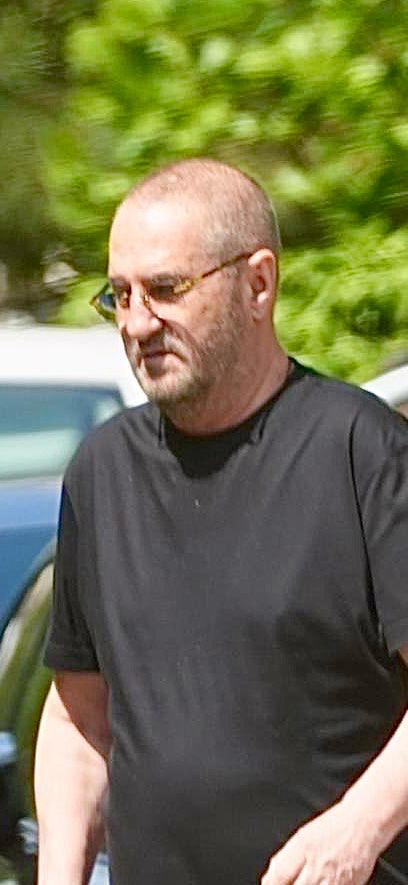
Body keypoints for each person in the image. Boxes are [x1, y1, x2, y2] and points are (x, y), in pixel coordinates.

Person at [34, 158, 408, 885]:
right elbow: (78, 720)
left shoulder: (361, 452)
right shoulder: (103, 472)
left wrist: (357, 829)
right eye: (119, 295)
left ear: (258, 284)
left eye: (166, 289)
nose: (138, 322)